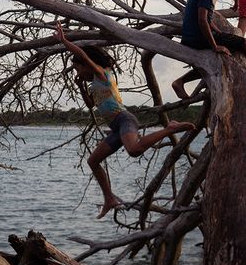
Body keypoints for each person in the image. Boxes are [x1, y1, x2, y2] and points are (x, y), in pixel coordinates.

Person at [54, 22, 195, 219]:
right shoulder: (95, 84)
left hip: (124, 119)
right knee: (93, 161)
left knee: (134, 150)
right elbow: (89, 105)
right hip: (116, 127)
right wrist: (79, 87)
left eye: (78, 69)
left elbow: (84, 55)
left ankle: (170, 127)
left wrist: (65, 42)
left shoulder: (102, 75)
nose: (78, 73)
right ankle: (109, 198)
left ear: (87, 65)